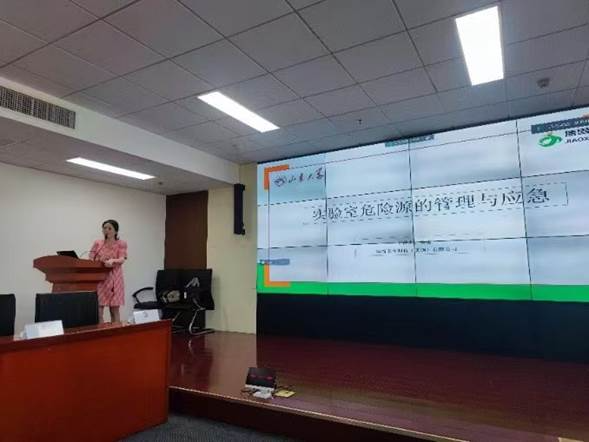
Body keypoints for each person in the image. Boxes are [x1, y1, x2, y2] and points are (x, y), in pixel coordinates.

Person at [89, 220, 127, 323]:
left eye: (110, 228)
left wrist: (113, 260)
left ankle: (116, 331)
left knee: (114, 310)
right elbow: (91, 257)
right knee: (98, 310)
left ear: (116, 231)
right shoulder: (98, 243)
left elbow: (122, 259)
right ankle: (101, 331)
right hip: (100, 278)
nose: (106, 230)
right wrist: (99, 260)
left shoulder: (121, 243)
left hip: (115, 278)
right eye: (104, 228)